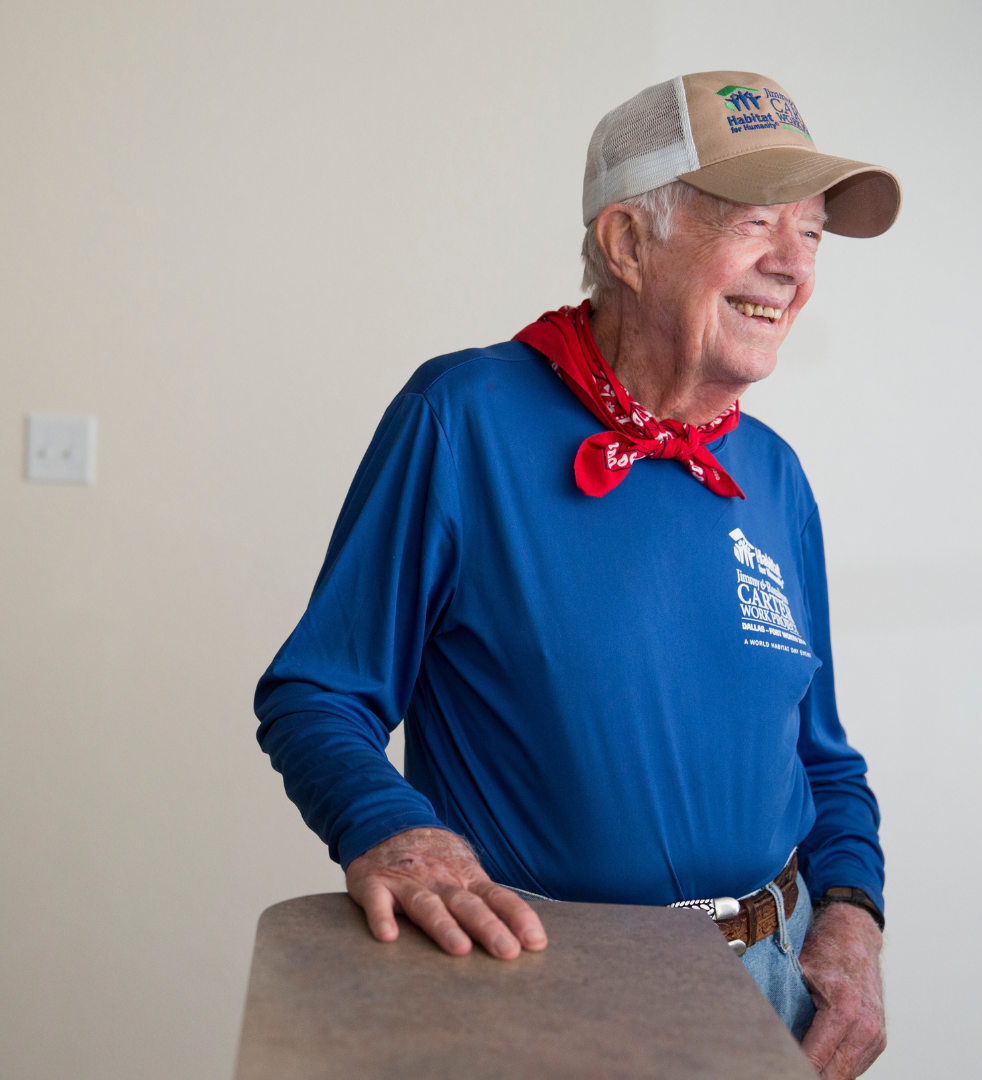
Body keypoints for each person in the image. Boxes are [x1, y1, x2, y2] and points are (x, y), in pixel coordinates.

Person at [255, 70, 901, 1079]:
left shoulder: (773, 474)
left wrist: (854, 917)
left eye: (812, 234)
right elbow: (318, 692)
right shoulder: (463, 418)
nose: (791, 266)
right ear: (628, 243)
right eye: (756, 222)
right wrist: (391, 829)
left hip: (776, 983)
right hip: (542, 983)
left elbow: (822, 758)